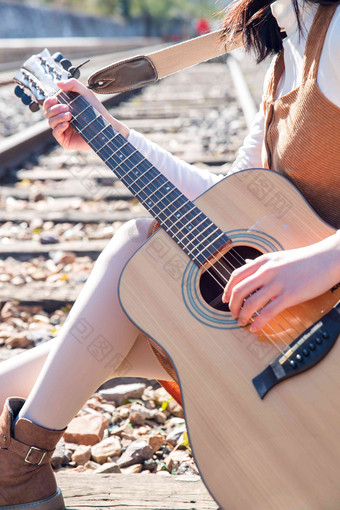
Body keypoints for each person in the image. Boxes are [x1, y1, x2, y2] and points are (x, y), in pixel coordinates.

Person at [1, 0, 340, 507]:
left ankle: (17, 472)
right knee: (114, 328)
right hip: (297, 329)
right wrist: (109, 135)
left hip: (322, 318)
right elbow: (223, 200)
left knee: (140, 246)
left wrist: (318, 263)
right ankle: (16, 467)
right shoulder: (288, 54)